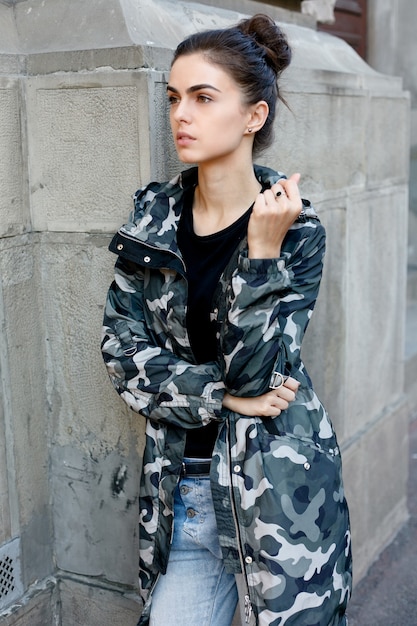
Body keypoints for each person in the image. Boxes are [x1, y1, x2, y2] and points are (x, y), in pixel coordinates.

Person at [101, 13, 352, 626]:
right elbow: (121, 353)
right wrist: (223, 399)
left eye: (203, 97)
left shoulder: (298, 233)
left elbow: (258, 377)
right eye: (174, 97)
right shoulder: (150, 224)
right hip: (184, 492)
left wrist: (262, 252)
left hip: (280, 492)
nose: (181, 114)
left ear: (253, 115)